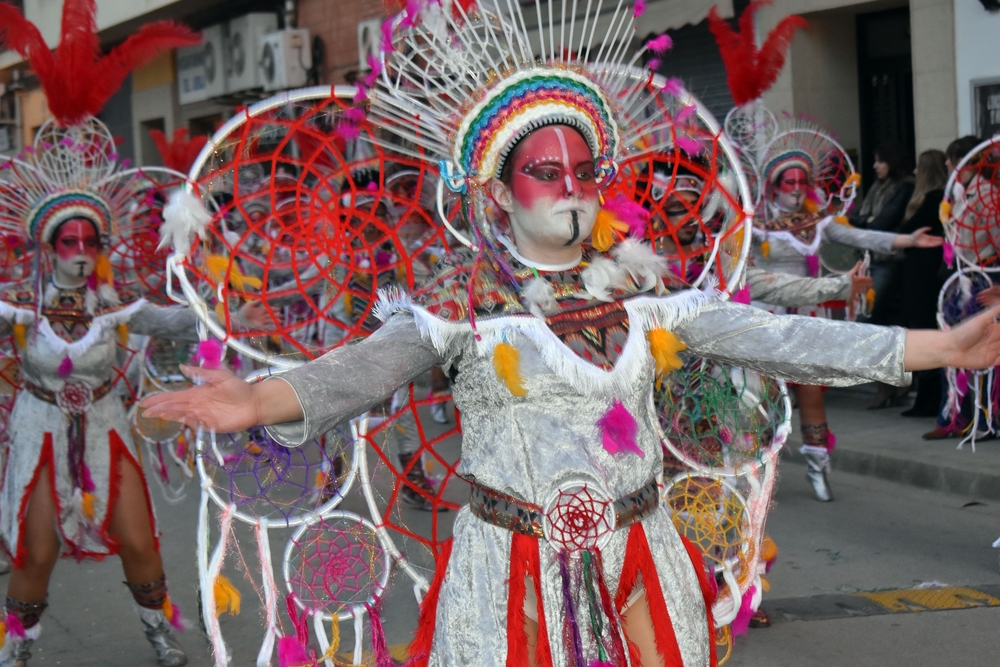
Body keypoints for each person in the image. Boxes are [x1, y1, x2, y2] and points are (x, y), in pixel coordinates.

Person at [143, 5, 1000, 666]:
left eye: (586, 170)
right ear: (498, 190)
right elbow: (350, 375)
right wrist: (254, 398)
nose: (571, 189)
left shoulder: (649, 297)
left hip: (643, 550)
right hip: (508, 565)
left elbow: (775, 338)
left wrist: (937, 347)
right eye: (545, 172)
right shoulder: (458, 310)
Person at [896, 150, 949, 417]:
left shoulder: (933, 199)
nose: (915, 172)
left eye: (920, 167)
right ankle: (926, 397)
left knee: (924, 330)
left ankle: (929, 399)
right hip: (921, 272)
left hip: (926, 273)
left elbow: (905, 231)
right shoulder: (930, 199)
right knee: (920, 329)